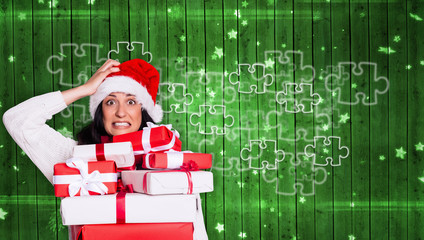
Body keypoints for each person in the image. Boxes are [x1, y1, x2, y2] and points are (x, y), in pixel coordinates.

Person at [3, 58, 208, 240]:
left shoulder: (170, 166)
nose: (121, 112)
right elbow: (17, 121)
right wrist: (85, 89)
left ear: (143, 111)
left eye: (131, 101)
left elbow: (194, 230)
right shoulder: (76, 161)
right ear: (101, 110)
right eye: (110, 102)